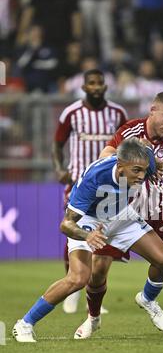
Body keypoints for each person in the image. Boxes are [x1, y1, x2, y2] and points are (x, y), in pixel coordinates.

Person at [74, 92, 163, 340]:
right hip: (120, 210)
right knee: (98, 271)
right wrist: (141, 156)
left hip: (156, 209)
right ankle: (93, 318)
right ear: (152, 111)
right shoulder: (130, 132)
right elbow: (105, 157)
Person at [13, 139, 163, 343]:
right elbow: (65, 225)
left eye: (144, 170)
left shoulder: (142, 160)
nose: (142, 176)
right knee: (78, 279)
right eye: (136, 171)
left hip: (121, 215)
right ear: (120, 164)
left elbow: (148, 151)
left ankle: (147, 299)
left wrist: (159, 165)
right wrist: (87, 235)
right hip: (88, 220)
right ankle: (25, 324)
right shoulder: (94, 178)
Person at [52, 68, 128, 314]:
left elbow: (125, 145)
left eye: (100, 83)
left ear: (105, 86)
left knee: (102, 233)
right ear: (84, 87)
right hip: (77, 182)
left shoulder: (117, 113)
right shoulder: (71, 112)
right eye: (91, 83)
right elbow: (57, 143)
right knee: (73, 231)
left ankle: (91, 294)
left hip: (109, 185)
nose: (96, 87)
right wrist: (58, 168)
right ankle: (72, 287)